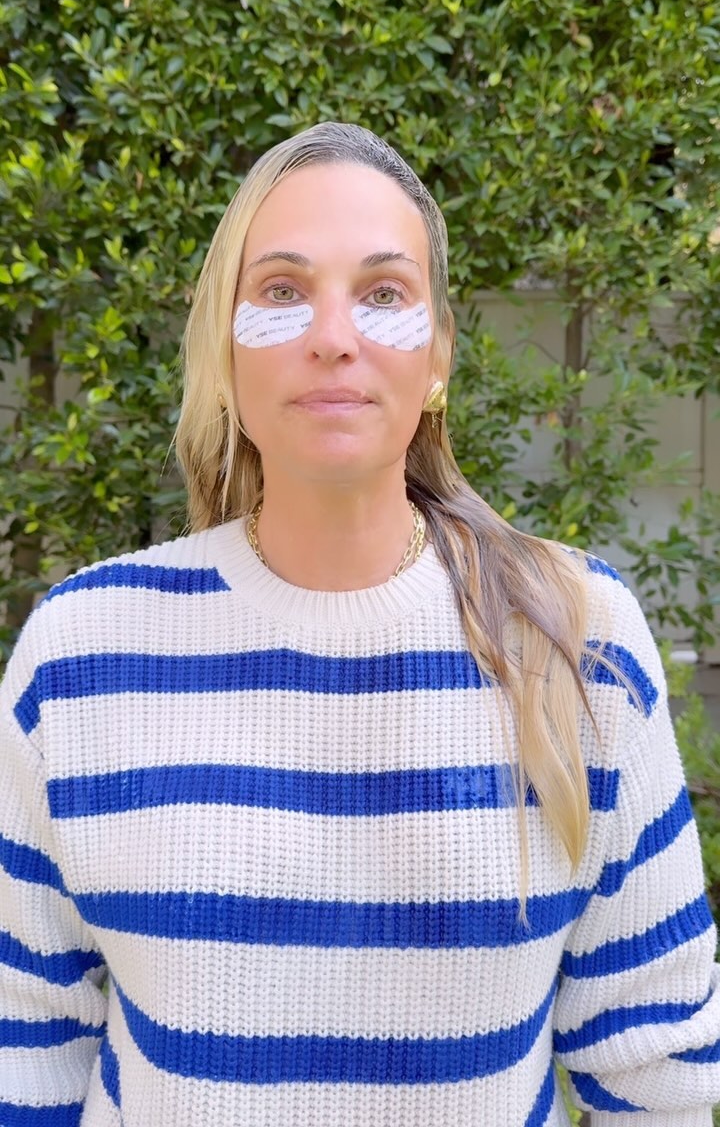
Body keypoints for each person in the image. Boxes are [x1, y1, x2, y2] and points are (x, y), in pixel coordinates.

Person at [0, 121, 718, 1127]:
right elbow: (24, 1039)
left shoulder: (579, 639)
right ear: (225, 352)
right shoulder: (79, 655)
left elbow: (659, 1077)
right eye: (281, 291)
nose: (332, 335)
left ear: (439, 355)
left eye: (383, 293)